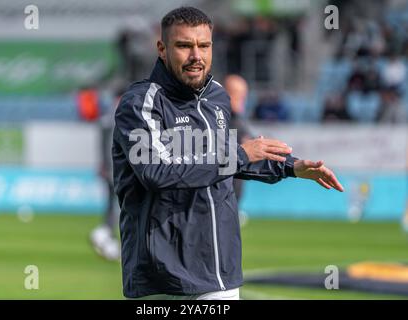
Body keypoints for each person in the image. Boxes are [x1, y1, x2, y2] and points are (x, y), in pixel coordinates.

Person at [112, 6, 344, 300]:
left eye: (204, 45)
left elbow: (230, 159)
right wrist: (240, 155)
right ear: (162, 48)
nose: (196, 55)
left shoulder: (217, 97)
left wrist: (291, 167)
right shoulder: (140, 103)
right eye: (184, 45)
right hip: (164, 278)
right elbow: (157, 172)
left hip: (221, 270)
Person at [89, 87, 124, 261]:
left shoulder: (110, 111)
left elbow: (103, 138)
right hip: (117, 168)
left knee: (112, 204)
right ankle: (106, 235)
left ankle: (106, 233)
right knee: (120, 206)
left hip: (111, 167)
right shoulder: (121, 112)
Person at [224, 74, 253, 225]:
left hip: (233, 192)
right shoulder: (222, 121)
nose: (242, 99)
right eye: (237, 94)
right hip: (222, 193)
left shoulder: (239, 121)